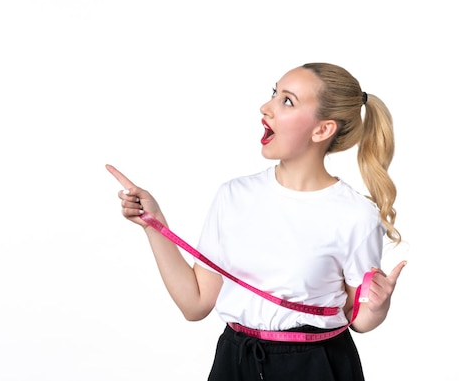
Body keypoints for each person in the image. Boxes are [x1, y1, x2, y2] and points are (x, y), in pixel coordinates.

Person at [106, 62, 406, 381]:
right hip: (235, 363)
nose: (266, 107)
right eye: (274, 93)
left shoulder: (354, 214)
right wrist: (154, 224)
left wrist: (376, 307)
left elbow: (358, 320)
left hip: (316, 366)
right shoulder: (233, 196)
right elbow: (195, 304)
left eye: (287, 100)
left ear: (322, 130)